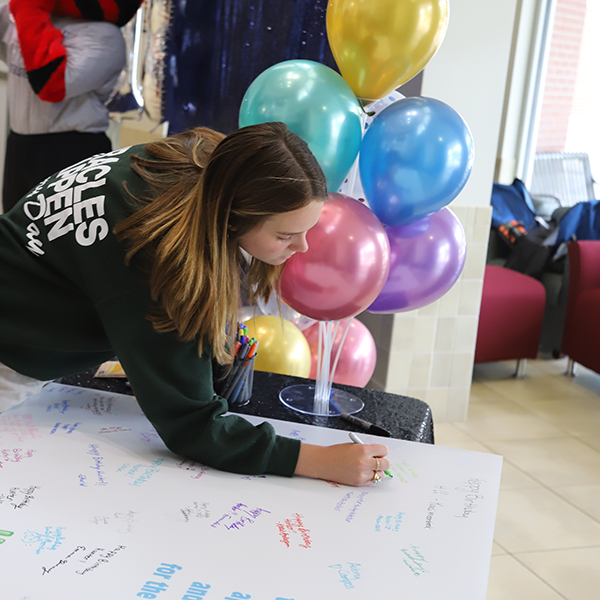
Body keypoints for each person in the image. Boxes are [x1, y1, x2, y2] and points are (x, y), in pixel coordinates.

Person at [0, 121, 390, 487]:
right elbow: (191, 426)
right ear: (234, 218)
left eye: (308, 230)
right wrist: (318, 461)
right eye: (286, 235)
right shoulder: (160, 257)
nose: (302, 247)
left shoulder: (202, 156)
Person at [0, 5, 126, 213]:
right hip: (20, 146)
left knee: (65, 239)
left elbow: (52, 83)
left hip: (71, 149)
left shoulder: (104, 35)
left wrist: (30, 13)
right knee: (14, 236)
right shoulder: (20, 14)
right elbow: (11, 54)